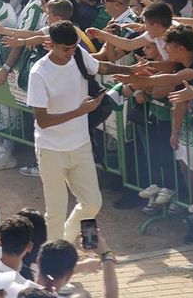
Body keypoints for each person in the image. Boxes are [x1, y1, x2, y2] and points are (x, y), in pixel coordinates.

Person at [27, 21, 134, 241]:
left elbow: (102, 67)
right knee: (55, 211)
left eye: (73, 48)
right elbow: (43, 120)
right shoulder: (39, 73)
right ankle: (55, 258)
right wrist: (80, 111)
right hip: (50, 149)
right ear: (51, 45)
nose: (70, 53)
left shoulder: (78, 56)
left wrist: (131, 70)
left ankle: (63, 243)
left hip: (80, 145)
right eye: (65, 49)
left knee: (93, 203)